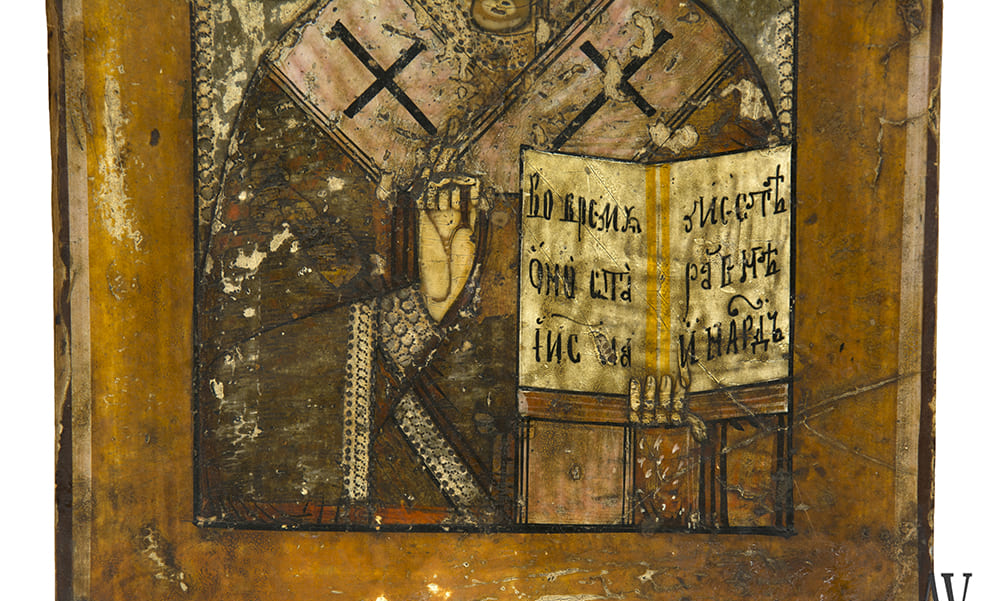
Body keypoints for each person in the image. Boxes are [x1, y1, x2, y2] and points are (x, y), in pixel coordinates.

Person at [195, 0, 779, 529]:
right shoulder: (328, 61)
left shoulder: (684, 52)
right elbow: (237, 396)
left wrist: (682, 387)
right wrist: (419, 312)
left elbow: (767, 402)